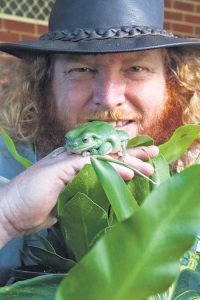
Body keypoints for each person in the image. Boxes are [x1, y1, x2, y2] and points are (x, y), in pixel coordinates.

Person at [0, 0, 199, 286]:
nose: (107, 97)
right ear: (44, 83)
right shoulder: (6, 167)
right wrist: (7, 216)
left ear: (173, 82)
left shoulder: (194, 175)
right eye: (82, 69)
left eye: (135, 68)